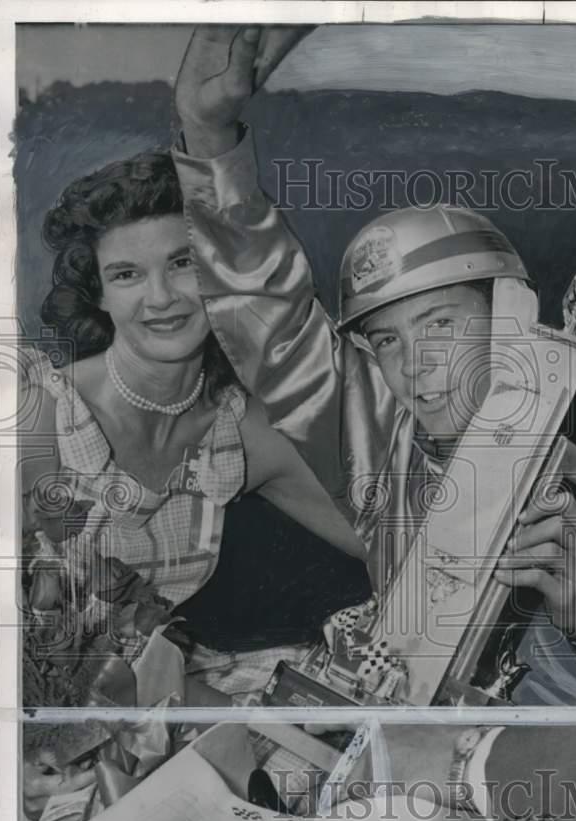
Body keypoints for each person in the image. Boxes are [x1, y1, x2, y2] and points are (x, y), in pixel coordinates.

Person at [172, 26, 576, 707]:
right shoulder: (390, 451)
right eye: (386, 341)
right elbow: (275, 329)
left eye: (441, 324)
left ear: (510, 320)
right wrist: (207, 136)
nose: (416, 367)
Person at [21, 149, 367, 711]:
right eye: (127, 274)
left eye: (183, 263)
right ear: (100, 294)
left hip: (173, 706)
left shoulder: (246, 429)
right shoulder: (43, 414)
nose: (161, 299)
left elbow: (396, 546)